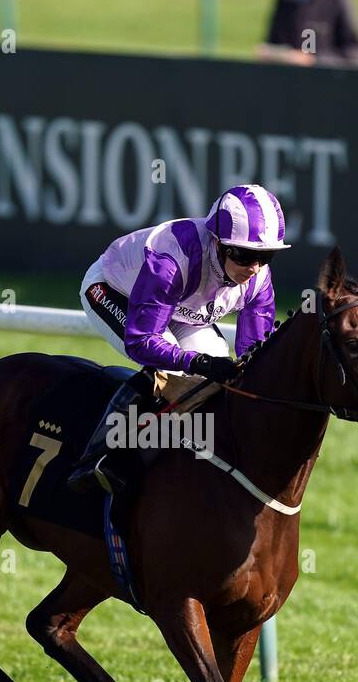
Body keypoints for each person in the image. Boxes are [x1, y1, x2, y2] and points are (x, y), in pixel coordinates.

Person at [68, 184, 291, 495]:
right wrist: (194, 361)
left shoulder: (258, 280)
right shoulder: (172, 261)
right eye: (243, 255)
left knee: (218, 373)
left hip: (178, 308)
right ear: (218, 243)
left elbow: (251, 356)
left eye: (265, 256)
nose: (253, 268)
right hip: (114, 291)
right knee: (172, 371)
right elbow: (141, 341)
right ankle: (98, 460)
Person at [258, 0, 358, 67]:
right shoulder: (285, 1)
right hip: (289, 88)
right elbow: (273, 41)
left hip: (323, 88)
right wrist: (272, 54)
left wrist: (314, 60)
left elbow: (353, 53)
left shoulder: (335, 0)